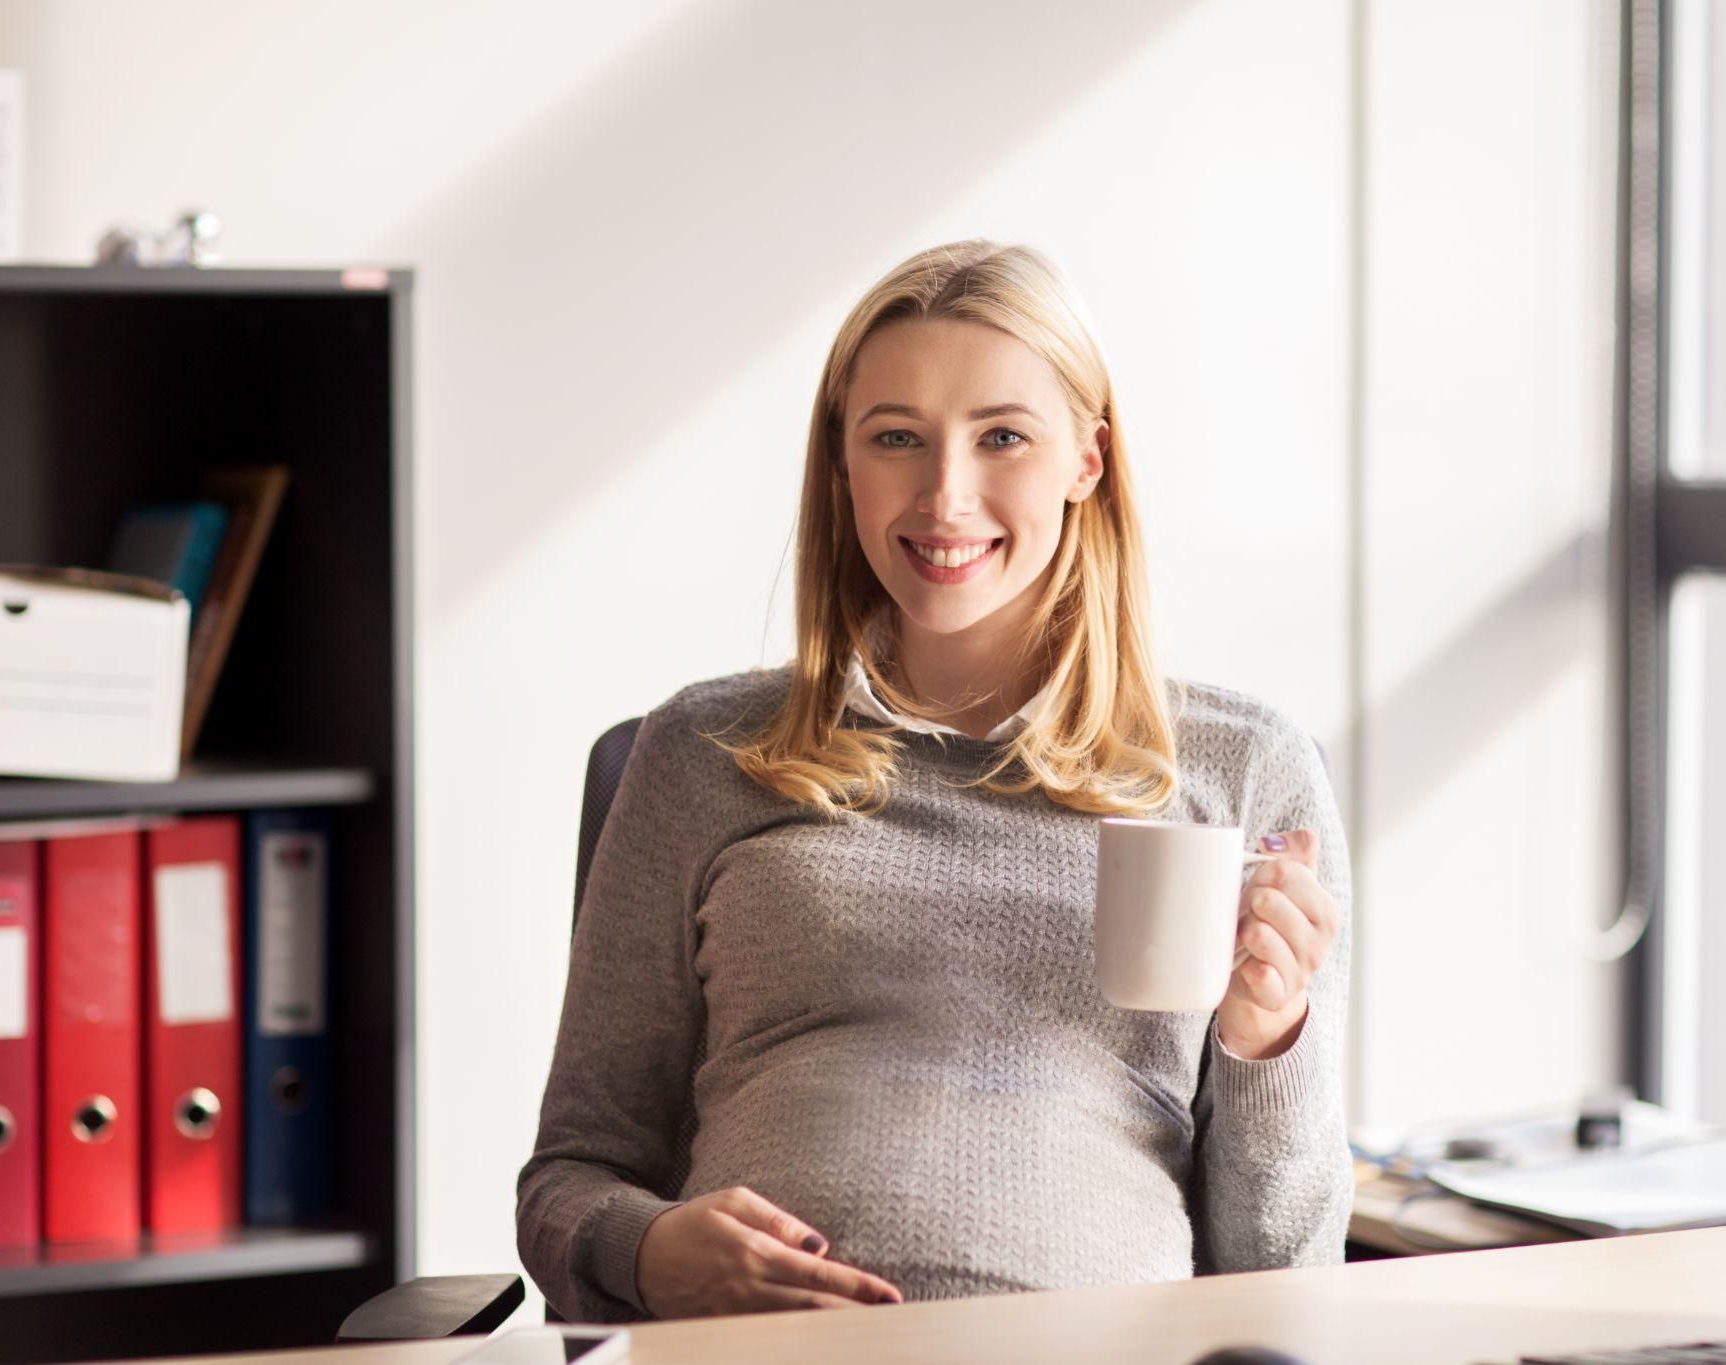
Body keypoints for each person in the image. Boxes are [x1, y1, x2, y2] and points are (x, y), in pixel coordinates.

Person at [516, 240, 1352, 1323]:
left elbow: (1283, 1269)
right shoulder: (705, 750)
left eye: (1001, 436)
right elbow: (567, 1178)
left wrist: (1264, 1038)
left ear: (1085, 463)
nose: (943, 495)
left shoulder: (1241, 768)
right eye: (895, 439)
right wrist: (648, 1249)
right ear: (841, 466)